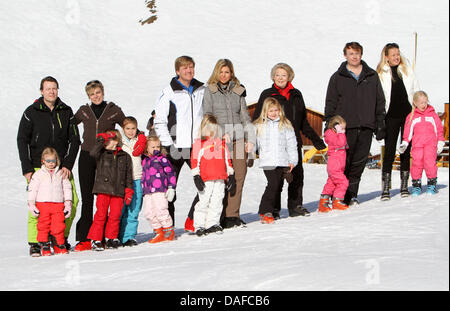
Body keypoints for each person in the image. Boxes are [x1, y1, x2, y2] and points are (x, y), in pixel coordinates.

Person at [17, 76, 80, 257]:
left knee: (72, 202)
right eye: (48, 88)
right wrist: (27, 168)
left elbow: (75, 140)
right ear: (41, 91)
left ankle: (59, 238)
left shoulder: (66, 111)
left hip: (61, 167)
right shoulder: (31, 112)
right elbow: (22, 140)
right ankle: (36, 242)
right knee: (36, 206)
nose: (51, 92)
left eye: (54, 88)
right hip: (38, 166)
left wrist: (68, 164)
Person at [189, 58, 255, 230]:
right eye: (221, 71)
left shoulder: (238, 91)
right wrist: (218, 135)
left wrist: (250, 140)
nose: (224, 75)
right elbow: (208, 115)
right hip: (219, 141)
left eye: (227, 72)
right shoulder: (209, 91)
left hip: (238, 139)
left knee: (238, 177)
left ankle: (232, 216)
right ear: (216, 72)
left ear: (231, 73)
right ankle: (215, 217)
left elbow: (245, 117)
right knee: (218, 178)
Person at [253, 63, 325, 218]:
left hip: (293, 142)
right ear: (273, 76)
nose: (280, 78)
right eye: (277, 75)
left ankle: (295, 206)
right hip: (273, 145)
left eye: (283, 75)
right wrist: (256, 146)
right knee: (276, 180)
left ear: (289, 77)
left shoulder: (296, 94)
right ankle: (273, 209)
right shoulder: (267, 94)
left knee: (296, 177)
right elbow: (257, 120)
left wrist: (315, 139)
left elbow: (303, 121)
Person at [325, 42, 386, 206]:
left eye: (357, 54)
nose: (354, 57)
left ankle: (352, 195)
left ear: (361, 55)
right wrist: (329, 125)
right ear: (345, 55)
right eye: (351, 54)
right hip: (344, 128)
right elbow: (330, 102)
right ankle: (338, 195)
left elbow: (380, 101)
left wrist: (380, 123)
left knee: (359, 163)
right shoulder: (337, 77)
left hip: (366, 126)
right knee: (342, 163)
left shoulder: (371, 76)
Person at [73, 80, 126, 252]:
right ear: (88, 96)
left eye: (98, 92)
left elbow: (127, 126)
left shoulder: (113, 110)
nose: (96, 96)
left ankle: (103, 236)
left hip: (106, 158)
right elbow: (70, 125)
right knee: (87, 197)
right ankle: (84, 238)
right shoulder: (83, 111)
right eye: (92, 94)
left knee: (105, 198)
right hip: (87, 155)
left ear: (103, 92)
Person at [153, 55, 205, 226]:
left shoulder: (201, 89)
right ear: (177, 71)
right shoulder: (169, 91)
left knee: (206, 183)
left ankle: (192, 219)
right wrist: (168, 145)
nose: (189, 71)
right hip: (175, 147)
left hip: (195, 146)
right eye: (184, 68)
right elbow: (159, 121)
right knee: (169, 189)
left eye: (191, 67)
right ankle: (168, 226)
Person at [376, 43, 420, 200]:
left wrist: (417, 110)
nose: (396, 57)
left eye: (398, 54)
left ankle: (404, 186)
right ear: (386, 57)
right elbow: (379, 97)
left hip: (407, 115)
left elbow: (415, 90)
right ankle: (386, 188)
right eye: (393, 54)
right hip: (391, 117)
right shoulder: (381, 74)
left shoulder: (407, 71)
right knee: (389, 151)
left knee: (405, 149)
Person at [253, 97, 298, 223]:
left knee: (278, 186)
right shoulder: (259, 125)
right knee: (273, 184)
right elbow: (254, 143)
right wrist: (250, 151)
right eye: (270, 111)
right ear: (265, 112)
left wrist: (292, 161)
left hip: (282, 160)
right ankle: (265, 210)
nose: (274, 113)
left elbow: (291, 144)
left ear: (280, 110)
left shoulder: (285, 125)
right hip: (267, 161)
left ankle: (275, 210)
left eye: (276, 110)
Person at [87, 130, 134, 251]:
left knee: (115, 215)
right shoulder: (101, 154)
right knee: (101, 214)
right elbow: (92, 153)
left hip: (119, 191)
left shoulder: (125, 156)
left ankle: (111, 238)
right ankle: (96, 239)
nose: (108, 142)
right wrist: (101, 139)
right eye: (106, 140)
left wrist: (129, 191)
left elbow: (129, 175)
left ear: (117, 141)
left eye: (111, 139)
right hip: (103, 189)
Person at [190, 114, 235, 235]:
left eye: (215, 129)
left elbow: (227, 160)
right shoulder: (199, 144)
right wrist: (196, 176)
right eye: (209, 129)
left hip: (220, 178)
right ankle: (199, 225)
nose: (212, 132)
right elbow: (194, 161)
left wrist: (230, 174)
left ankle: (212, 223)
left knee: (217, 201)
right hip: (206, 179)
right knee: (203, 201)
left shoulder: (221, 143)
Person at [27, 148, 73, 256]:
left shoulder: (61, 173)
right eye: (48, 161)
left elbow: (67, 188)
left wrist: (68, 203)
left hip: (58, 205)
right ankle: (44, 244)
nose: (51, 163)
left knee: (58, 225)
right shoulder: (38, 174)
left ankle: (59, 244)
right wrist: (31, 203)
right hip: (43, 204)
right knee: (43, 226)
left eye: (53, 161)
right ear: (43, 160)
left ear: (57, 160)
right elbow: (33, 189)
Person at [398, 91, 445, 196]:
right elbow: (408, 132)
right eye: (421, 103)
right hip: (417, 145)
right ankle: (416, 186)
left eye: (425, 102)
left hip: (430, 144)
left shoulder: (432, 115)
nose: (424, 105)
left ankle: (431, 184)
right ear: (415, 103)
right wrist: (405, 143)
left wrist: (440, 141)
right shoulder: (412, 116)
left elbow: (439, 129)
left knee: (430, 163)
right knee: (416, 163)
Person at [141, 135, 176, 243]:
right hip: (147, 191)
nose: (156, 149)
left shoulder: (162, 159)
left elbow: (171, 173)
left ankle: (168, 231)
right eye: (153, 147)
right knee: (148, 212)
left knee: (161, 210)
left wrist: (171, 188)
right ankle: (158, 232)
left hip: (159, 189)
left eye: (158, 147)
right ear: (147, 148)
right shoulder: (144, 160)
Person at [118, 117, 147, 246]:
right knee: (120, 209)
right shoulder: (120, 142)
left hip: (136, 178)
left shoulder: (139, 141)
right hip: (122, 180)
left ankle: (129, 236)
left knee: (134, 209)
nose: (130, 131)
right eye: (127, 129)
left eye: (133, 128)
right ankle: (117, 235)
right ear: (123, 129)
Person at [318, 115, 349, 212]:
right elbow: (341, 143)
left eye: (344, 129)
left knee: (331, 184)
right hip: (334, 166)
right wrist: (340, 132)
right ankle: (337, 200)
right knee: (343, 182)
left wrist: (340, 132)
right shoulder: (330, 134)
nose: (343, 131)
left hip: (339, 166)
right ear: (335, 127)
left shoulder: (337, 135)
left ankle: (324, 202)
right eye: (342, 128)